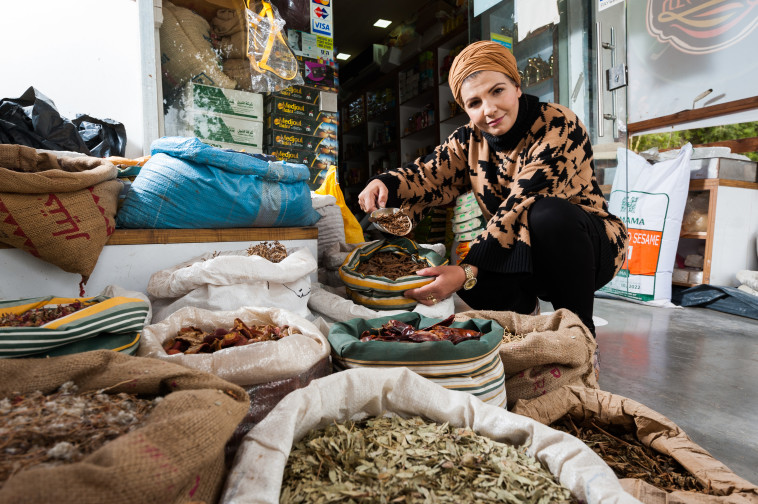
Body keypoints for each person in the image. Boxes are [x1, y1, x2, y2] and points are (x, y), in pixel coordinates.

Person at [357, 40, 628, 337]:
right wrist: (384, 183)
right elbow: (428, 174)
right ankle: (523, 318)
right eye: (474, 103)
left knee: (545, 215)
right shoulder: (467, 140)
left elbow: (523, 200)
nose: (489, 109)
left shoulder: (559, 125)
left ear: (516, 87)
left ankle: (579, 334)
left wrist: (466, 270)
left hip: (586, 248)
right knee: (474, 282)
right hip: (516, 247)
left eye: (497, 91)